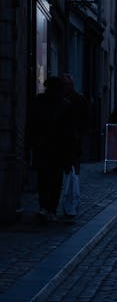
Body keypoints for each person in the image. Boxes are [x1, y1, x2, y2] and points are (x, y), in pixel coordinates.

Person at [27, 76, 76, 222]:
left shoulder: (41, 102)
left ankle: (46, 207)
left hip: (47, 147)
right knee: (53, 179)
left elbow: (31, 126)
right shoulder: (64, 105)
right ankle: (49, 208)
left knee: (47, 179)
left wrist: (30, 144)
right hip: (55, 148)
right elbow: (69, 133)